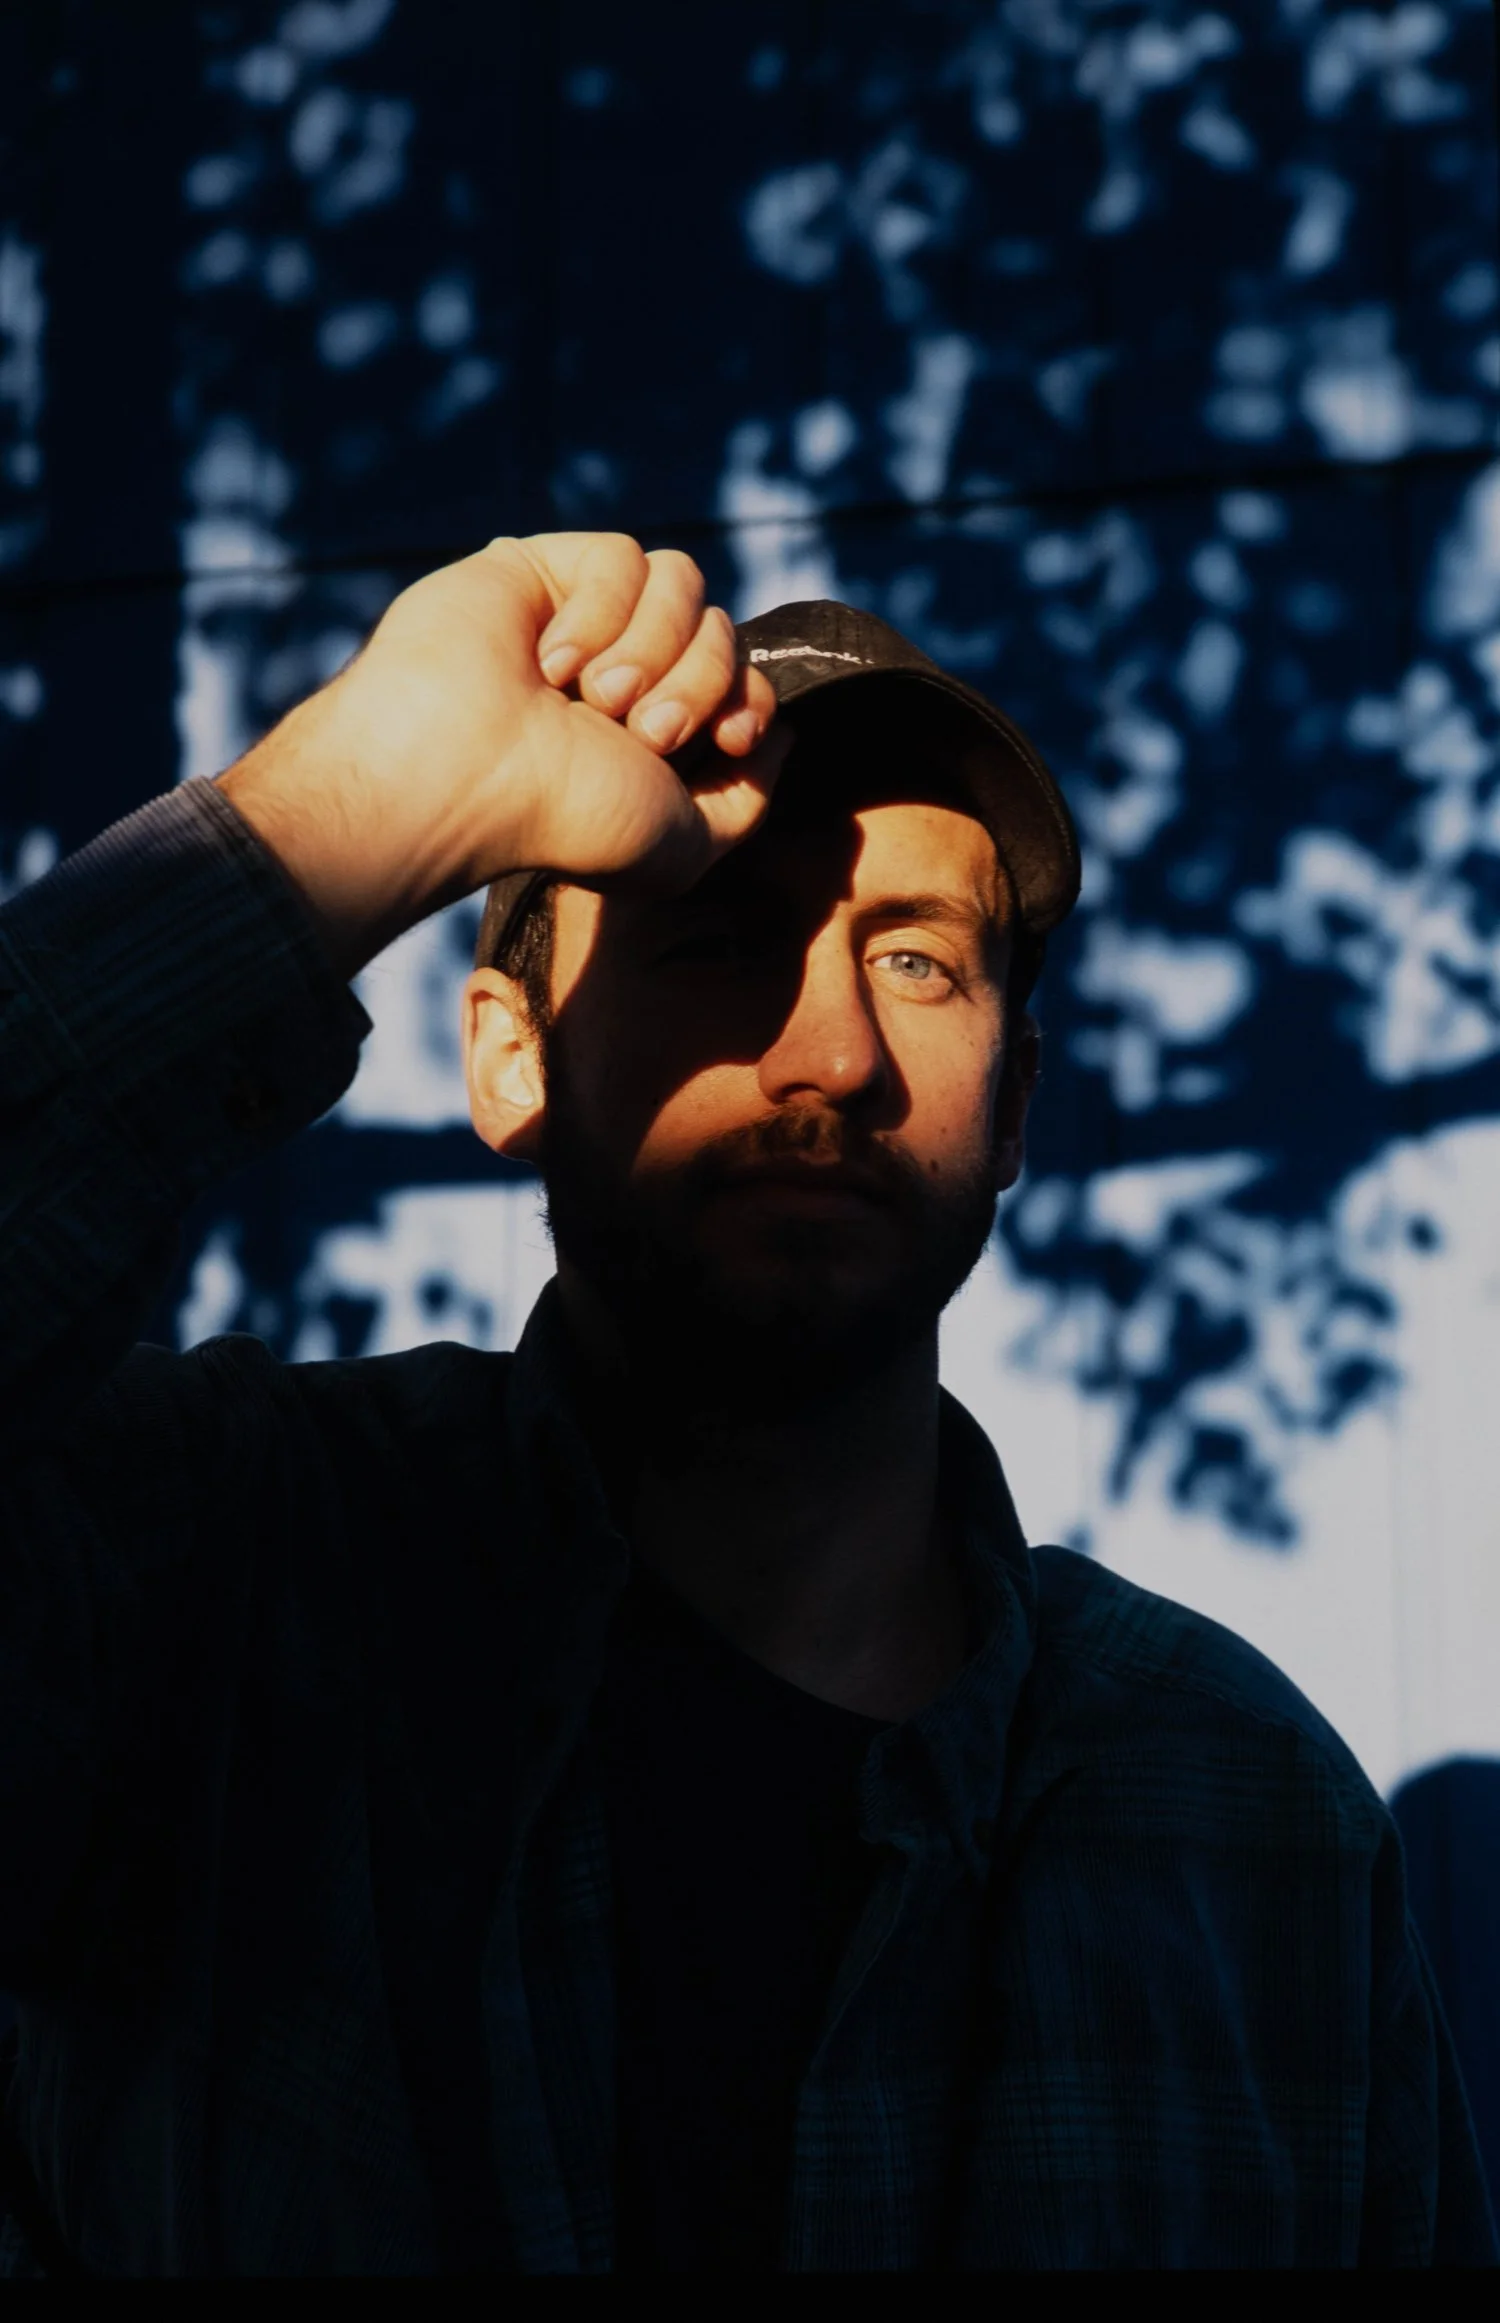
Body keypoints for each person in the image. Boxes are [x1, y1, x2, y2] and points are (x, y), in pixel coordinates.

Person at [0, 533, 1492, 2275]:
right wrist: (364, 797)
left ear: (1016, 1108)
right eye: (718, 940)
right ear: (510, 1055)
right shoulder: (209, 1583)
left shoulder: (1251, 1816)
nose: (833, 1055)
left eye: (918, 962)